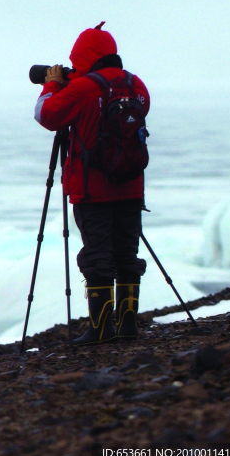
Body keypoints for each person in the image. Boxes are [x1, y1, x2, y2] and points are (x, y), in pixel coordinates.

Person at [34, 22, 151, 345]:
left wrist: (52, 85)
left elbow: (46, 115)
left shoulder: (84, 88)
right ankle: (128, 325)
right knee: (127, 252)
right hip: (130, 185)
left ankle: (101, 328)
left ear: (82, 56)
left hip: (92, 188)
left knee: (97, 256)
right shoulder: (135, 84)